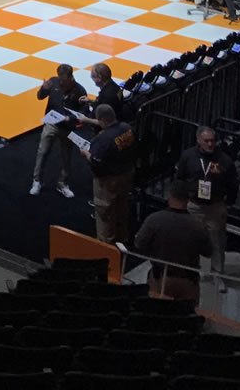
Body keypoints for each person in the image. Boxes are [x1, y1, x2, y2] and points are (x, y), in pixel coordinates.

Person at [174, 126, 239, 291]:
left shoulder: (224, 160)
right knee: (189, 239)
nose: (210, 144)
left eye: (212, 141)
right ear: (198, 140)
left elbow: (233, 184)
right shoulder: (188, 156)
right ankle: (191, 271)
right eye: (206, 141)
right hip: (194, 205)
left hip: (215, 207)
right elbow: (180, 178)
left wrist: (228, 202)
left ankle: (218, 275)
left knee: (217, 242)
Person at [134, 180, 211, 303]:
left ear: (170, 196)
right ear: (188, 200)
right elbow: (208, 252)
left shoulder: (154, 220)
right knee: (186, 316)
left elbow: (139, 244)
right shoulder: (198, 225)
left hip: (160, 278)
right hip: (188, 280)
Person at [31, 64, 86, 197]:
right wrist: (43, 89)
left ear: (71, 77)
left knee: (66, 156)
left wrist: (70, 118)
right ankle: (36, 181)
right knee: (42, 151)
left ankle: (62, 183)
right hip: (51, 123)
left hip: (67, 127)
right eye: (60, 79)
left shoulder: (80, 90)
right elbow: (39, 96)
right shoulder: (54, 82)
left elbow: (84, 112)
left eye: (64, 80)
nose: (61, 82)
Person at [87, 103, 135, 243]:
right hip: (126, 174)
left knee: (105, 214)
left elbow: (95, 162)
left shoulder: (103, 139)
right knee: (122, 208)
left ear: (101, 119)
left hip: (108, 181)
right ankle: (123, 239)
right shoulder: (127, 129)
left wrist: (86, 154)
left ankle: (106, 248)